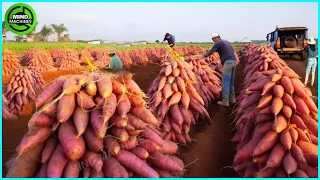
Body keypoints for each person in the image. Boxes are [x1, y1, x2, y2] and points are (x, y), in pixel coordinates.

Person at [198, 33, 237, 107]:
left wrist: (202, 56)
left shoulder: (218, 43)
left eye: (213, 40)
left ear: (215, 38)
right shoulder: (226, 42)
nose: (213, 41)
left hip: (228, 63)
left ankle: (225, 101)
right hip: (233, 62)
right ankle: (232, 99)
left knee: (225, 82)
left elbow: (211, 52)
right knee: (231, 82)